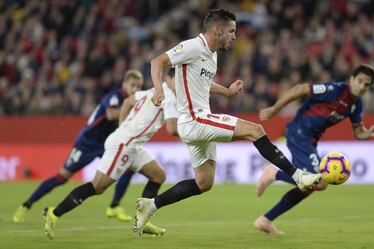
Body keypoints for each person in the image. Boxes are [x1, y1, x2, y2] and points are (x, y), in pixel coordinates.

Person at [133, 9, 321, 237]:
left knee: (204, 183)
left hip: (196, 123)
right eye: (231, 31)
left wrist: (228, 92)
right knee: (255, 130)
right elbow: (157, 62)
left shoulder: (211, 55)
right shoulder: (193, 46)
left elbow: (203, 84)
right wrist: (158, 90)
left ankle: (150, 205)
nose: (234, 36)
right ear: (217, 30)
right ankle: (299, 176)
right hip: (195, 119)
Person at [42, 68, 178, 239]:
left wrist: (122, 125)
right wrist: (192, 135)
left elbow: (128, 101)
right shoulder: (170, 98)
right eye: (178, 80)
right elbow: (172, 129)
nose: (180, 84)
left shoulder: (152, 91)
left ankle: (143, 221)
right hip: (124, 145)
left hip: (131, 144)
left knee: (158, 175)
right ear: (169, 79)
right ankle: (54, 213)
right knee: (98, 186)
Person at [254, 64, 374, 235]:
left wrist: (369, 133)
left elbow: (358, 133)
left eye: (366, 85)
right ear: (351, 79)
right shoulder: (334, 90)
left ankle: (265, 220)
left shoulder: (356, 105)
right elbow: (301, 88)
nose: (362, 87)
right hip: (299, 132)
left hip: (310, 140)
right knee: (320, 182)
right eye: (360, 81)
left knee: (307, 188)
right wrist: (275, 109)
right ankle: (274, 173)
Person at [13, 70, 143, 223]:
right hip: (87, 143)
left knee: (129, 168)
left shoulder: (131, 101)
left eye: (138, 87)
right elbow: (111, 114)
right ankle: (26, 204)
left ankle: (114, 206)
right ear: (124, 84)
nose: (135, 89)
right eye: (132, 85)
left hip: (107, 144)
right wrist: (134, 110)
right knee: (61, 177)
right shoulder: (116, 96)